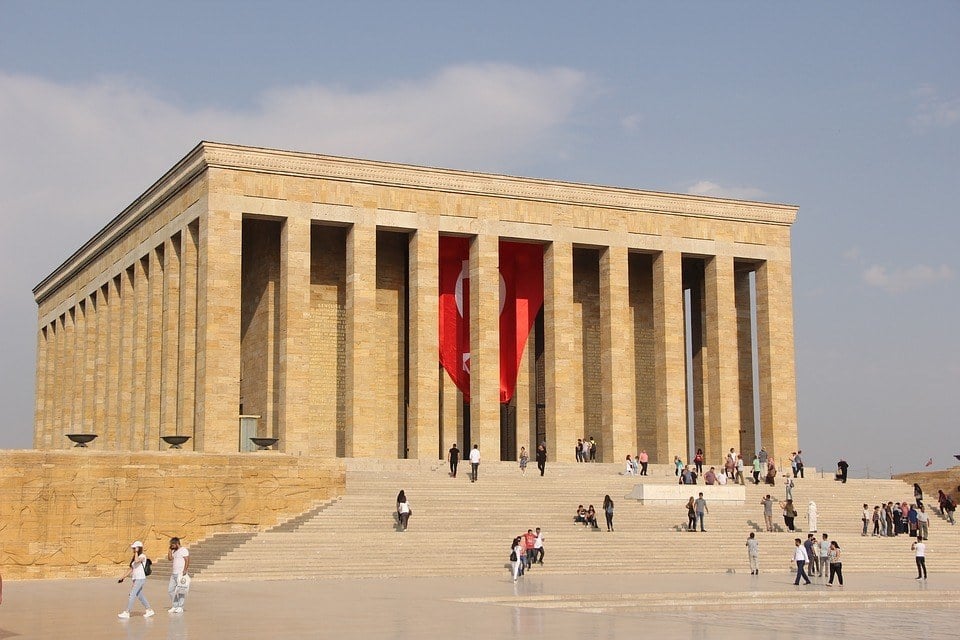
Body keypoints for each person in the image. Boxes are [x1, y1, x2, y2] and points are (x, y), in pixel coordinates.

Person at [117, 541, 154, 619]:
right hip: (136, 579)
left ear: (138, 548)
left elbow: (137, 561)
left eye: (134, 548)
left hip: (140, 578)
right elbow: (131, 569)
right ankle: (149, 610)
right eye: (133, 548)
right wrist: (123, 577)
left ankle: (127, 612)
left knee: (132, 595)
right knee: (140, 596)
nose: (133, 549)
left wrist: (136, 552)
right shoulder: (134, 557)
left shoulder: (143, 556)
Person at [166, 537, 190, 614]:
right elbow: (170, 559)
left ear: (176, 543)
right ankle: (175, 606)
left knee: (181, 590)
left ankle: (180, 607)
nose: (171, 546)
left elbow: (187, 560)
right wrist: (169, 550)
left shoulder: (183, 550)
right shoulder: (174, 551)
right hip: (174, 574)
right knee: (170, 590)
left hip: (181, 573)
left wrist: (185, 570)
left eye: (172, 545)